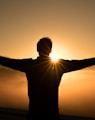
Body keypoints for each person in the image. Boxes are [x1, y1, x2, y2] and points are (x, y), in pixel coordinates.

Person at [0, 37, 95, 120]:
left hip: (34, 113)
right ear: (50, 50)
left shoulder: (29, 65)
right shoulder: (59, 66)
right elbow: (80, 63)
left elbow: (9, 62)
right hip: (52, 114)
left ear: (37, 49)